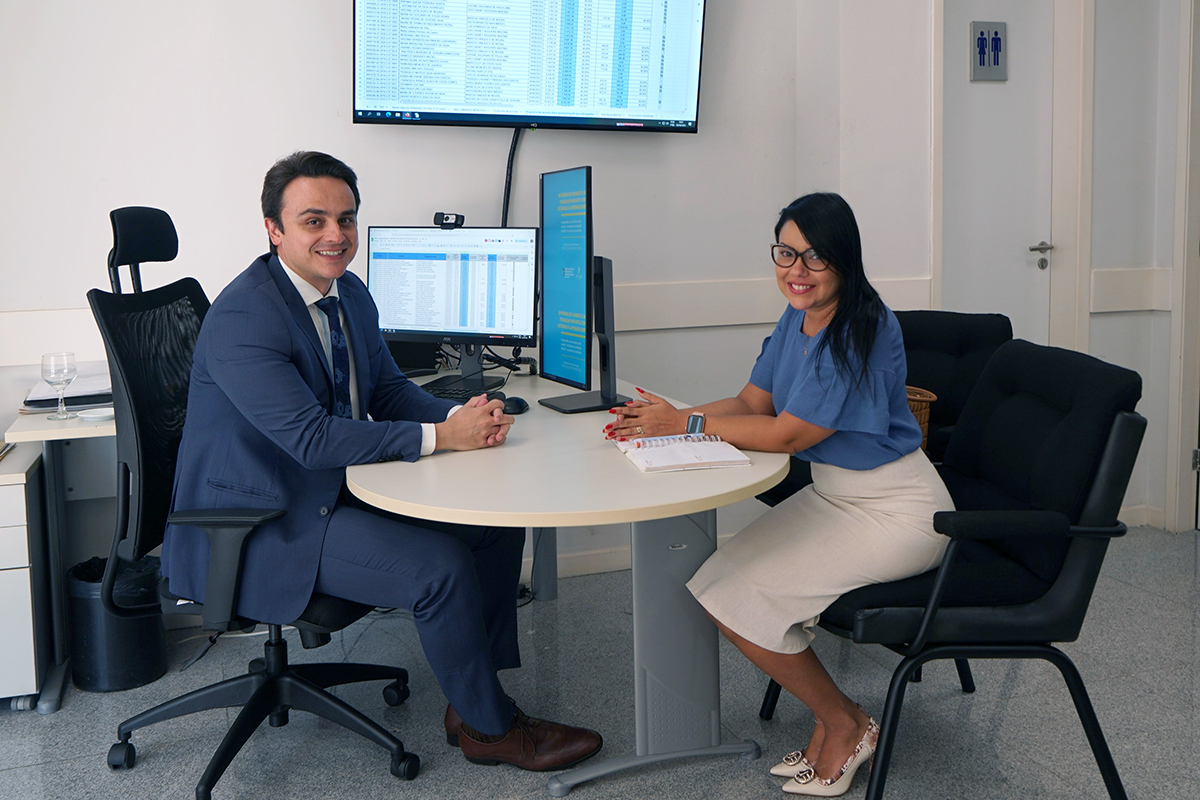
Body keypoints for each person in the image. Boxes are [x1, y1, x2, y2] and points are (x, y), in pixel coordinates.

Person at [162, 150, 602, 772]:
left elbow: (389, 391)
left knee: (496, 524)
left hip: (325, 490)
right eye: (314, 221)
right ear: (274, 229)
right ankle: (490, 729)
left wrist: (459, 418)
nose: (336, 235)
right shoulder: (244, 316)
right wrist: (439, 441)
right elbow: (313, 439)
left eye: (346, 219)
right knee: (439, 566)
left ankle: (474, 697)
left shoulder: (347, 294)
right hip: (262, 517)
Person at [604, 192, 953, 796]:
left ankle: (847, 722)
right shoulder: (799, 316)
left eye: (814, 257)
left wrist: (683, 425)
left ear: (844, 259)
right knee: (716, 588)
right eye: (785, 253)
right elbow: (750, 406)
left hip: (896, 510)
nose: (796, 270)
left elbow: (789, 434)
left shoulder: (862, 326)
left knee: (742, 599)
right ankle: (836, 718)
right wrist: (669, 417)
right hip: (837, 495)